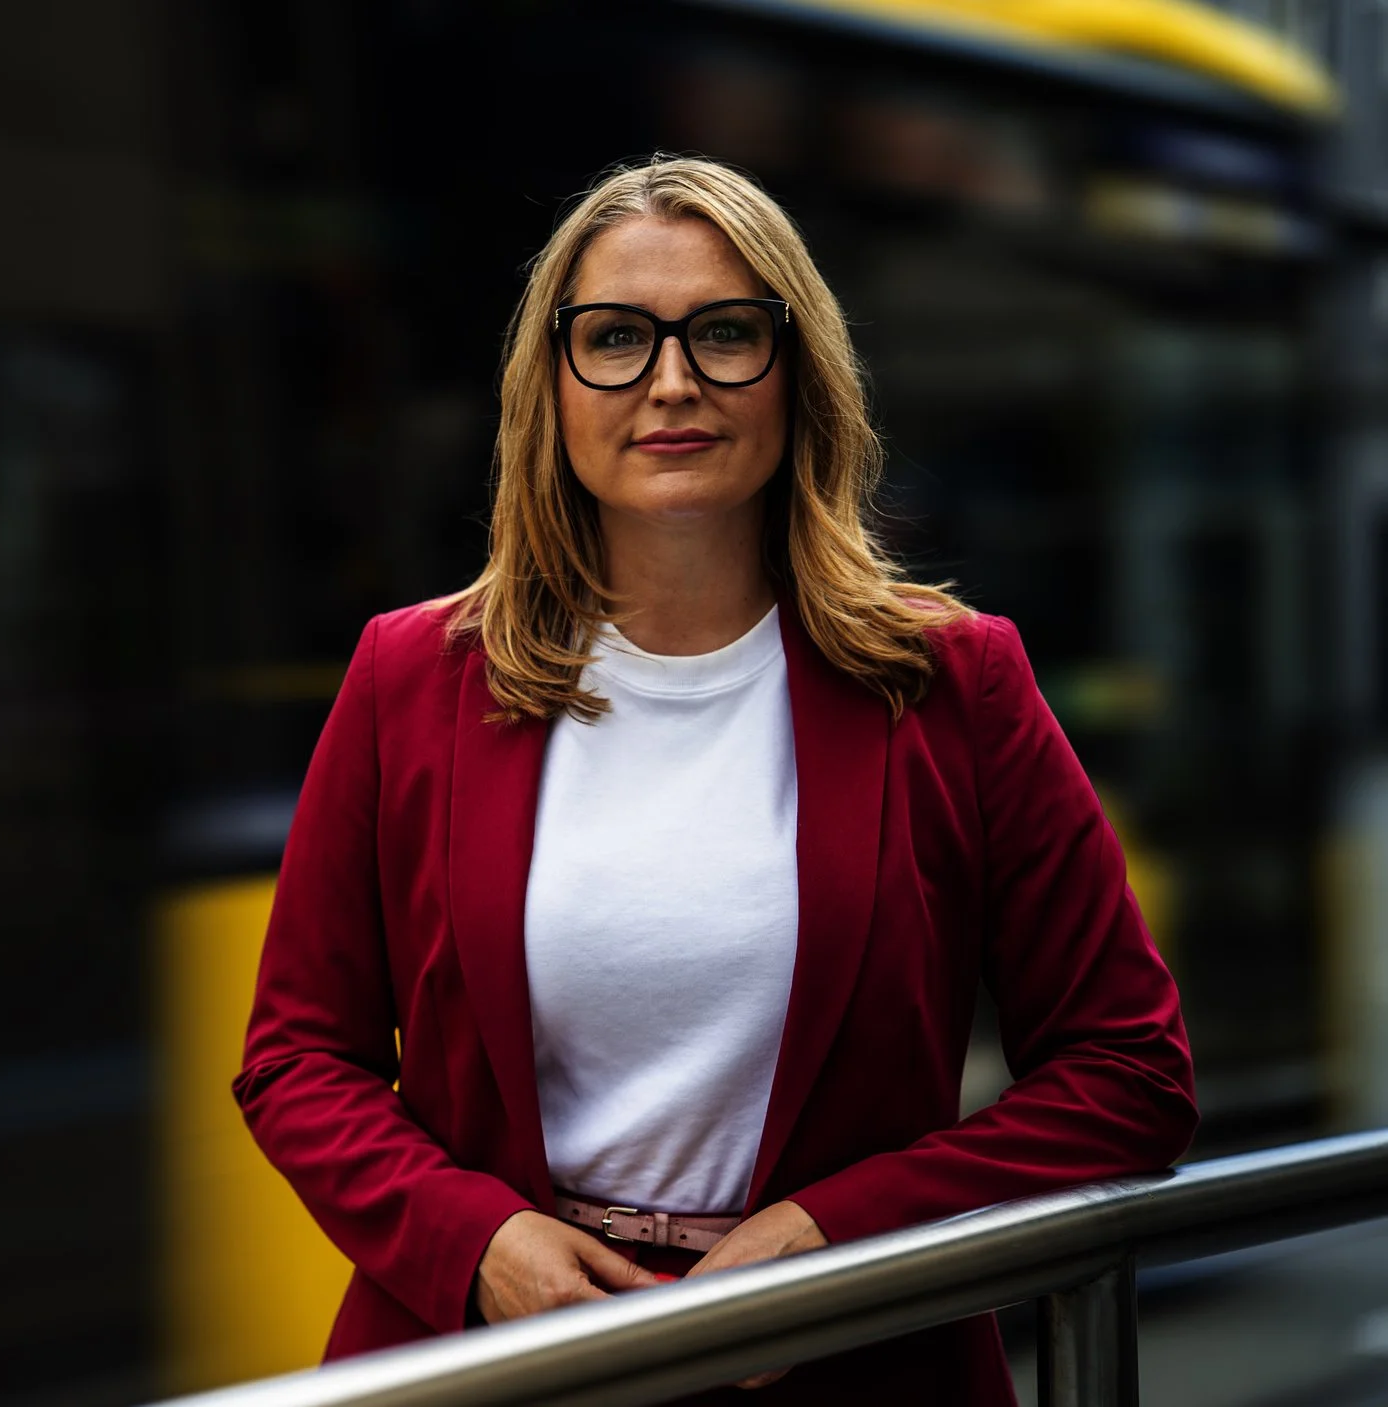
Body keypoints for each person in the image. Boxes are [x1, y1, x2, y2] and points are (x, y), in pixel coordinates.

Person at [232, 156, 1195, 1404]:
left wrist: (836, 1243)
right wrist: (477, 1245)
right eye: (617, 338)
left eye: (728, 333)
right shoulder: (411, 676)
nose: (671, 381)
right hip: (499, 1362)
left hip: (854, 1362)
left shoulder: (955, 683)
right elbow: (299, 1058)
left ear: (798, 376)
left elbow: (1128, 1075)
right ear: (553, 387)